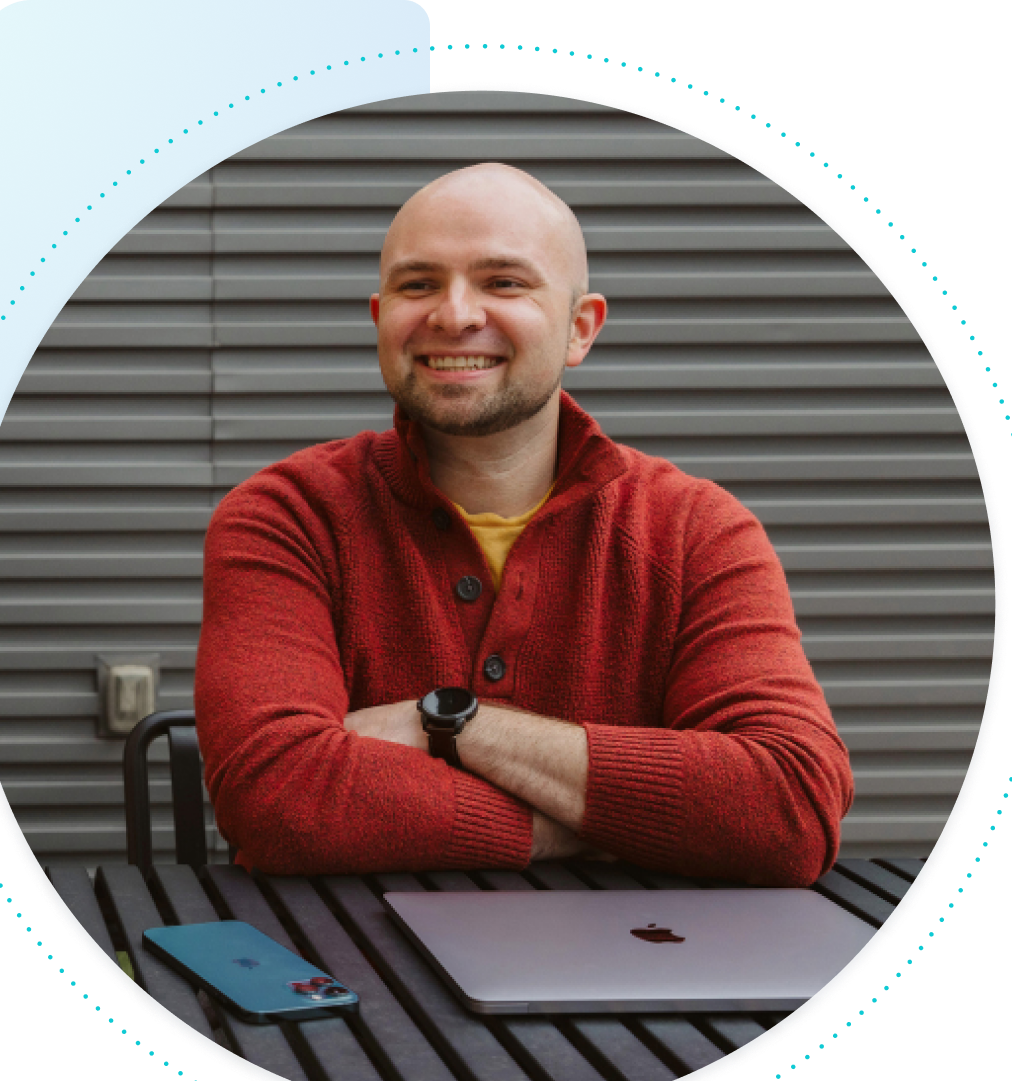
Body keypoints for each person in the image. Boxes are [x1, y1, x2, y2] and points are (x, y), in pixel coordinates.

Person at [194, 163, 852, 884]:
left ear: (579, 329)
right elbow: (279, 800)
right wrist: (568, 826)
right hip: (346, 968)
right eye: (419, 284)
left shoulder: (697, 530)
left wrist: (447, 723)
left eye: (503, 282)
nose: (453, 315)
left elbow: (786, 812)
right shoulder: (289, 515)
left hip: (643, 966)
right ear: (382, 321)